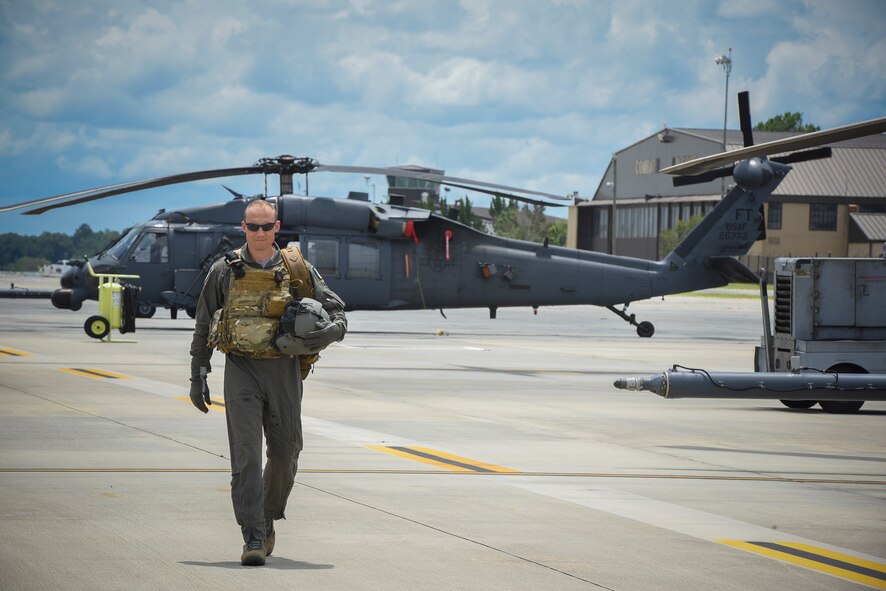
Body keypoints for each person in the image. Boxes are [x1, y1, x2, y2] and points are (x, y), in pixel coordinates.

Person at [189, 199, 346, 566]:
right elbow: (203, 322)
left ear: (277, 228)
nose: (259, 233)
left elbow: (336, 310)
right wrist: (199, 373)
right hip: (241, 370)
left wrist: (329, 333)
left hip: (284, 373)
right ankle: (253, 536)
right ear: (242, 228)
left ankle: (268, 514)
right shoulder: (224, 271)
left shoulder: (297, 269)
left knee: (286, 452)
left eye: (266, 226)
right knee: (245, 456)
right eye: (252, 226)